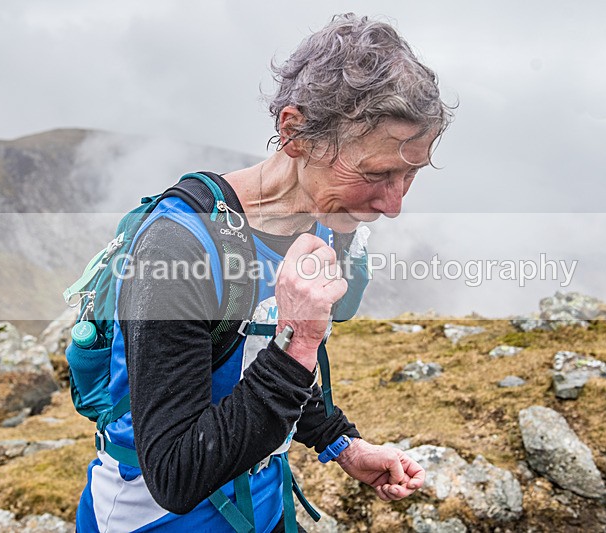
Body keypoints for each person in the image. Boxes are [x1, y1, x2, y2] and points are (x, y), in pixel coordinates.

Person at [76, 13, 453, 532]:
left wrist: (341, 443)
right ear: (295, 133)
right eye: (377, 173)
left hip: (263, 504)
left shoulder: (323, 221)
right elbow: (175, 475)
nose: (393, 205)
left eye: (410, 174)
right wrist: (300, 342)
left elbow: (253, 357)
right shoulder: (181, 246)